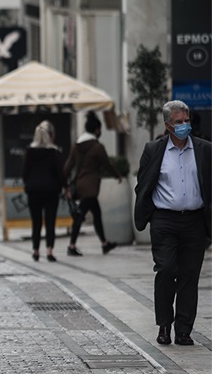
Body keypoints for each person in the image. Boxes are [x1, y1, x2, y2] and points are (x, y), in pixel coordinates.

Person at [134, 100, 211, 346]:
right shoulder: (153, 150)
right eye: (179, 122)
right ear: (168, 125)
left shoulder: (204, 149)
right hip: (164, 220)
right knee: (166, 270)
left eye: (186, 121)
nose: (184, 125)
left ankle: (184, 330)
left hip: (195, 222)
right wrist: (146, 212)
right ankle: (164, 325)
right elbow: (143, 183)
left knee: (189, 276)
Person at [64, 111, 121, 256]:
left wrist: (64, 182)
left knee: (96, 213)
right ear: (96, 130)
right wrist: (117, 176)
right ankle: (71, 246)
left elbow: (69, 165)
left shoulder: (77, 145)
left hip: (80, 184)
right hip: (90, 187)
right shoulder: (97, 147)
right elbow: (107, 164)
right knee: (80, 215)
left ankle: (104, 243)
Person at [22, 120, 66, 262]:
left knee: (36, 221)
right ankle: (49, 251)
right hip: (51, 190)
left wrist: (28, 183)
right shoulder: (54, 152)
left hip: (33, 190)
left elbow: (24, 172)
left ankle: (35, 250)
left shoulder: (29, 151)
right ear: (50, 135)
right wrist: (65, 186)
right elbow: (60, 173)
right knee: (50, 221)